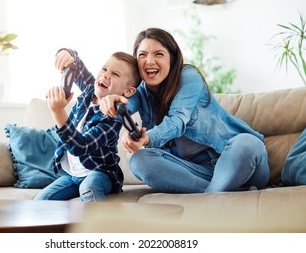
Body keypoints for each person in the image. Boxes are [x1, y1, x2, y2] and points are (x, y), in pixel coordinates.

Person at [100, 27, 270, 193]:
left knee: (247, 143)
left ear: (172, 60)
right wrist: (110, 102)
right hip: (196, 172)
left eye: (158, 54)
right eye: (142, 55)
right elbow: (125, 106)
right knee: (139, 160)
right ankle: (219, 192)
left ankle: (215, 192)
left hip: (232, 159)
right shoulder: (140, 91)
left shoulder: (188, 76)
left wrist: (148, 138)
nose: (149, 61)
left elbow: (178, 120)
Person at [34, 49, 141, 201]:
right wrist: (67, 54)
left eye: (115, 74)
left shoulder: (112, 118)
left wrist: (58, 112)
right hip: (73, 175)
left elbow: (80, 146)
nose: (105, 75)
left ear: (128, 91)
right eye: (104, 69)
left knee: (88, 188)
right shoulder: (90, 91)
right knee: (41, 201)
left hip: (101, 173)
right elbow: (77, 66)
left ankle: (99, 224)